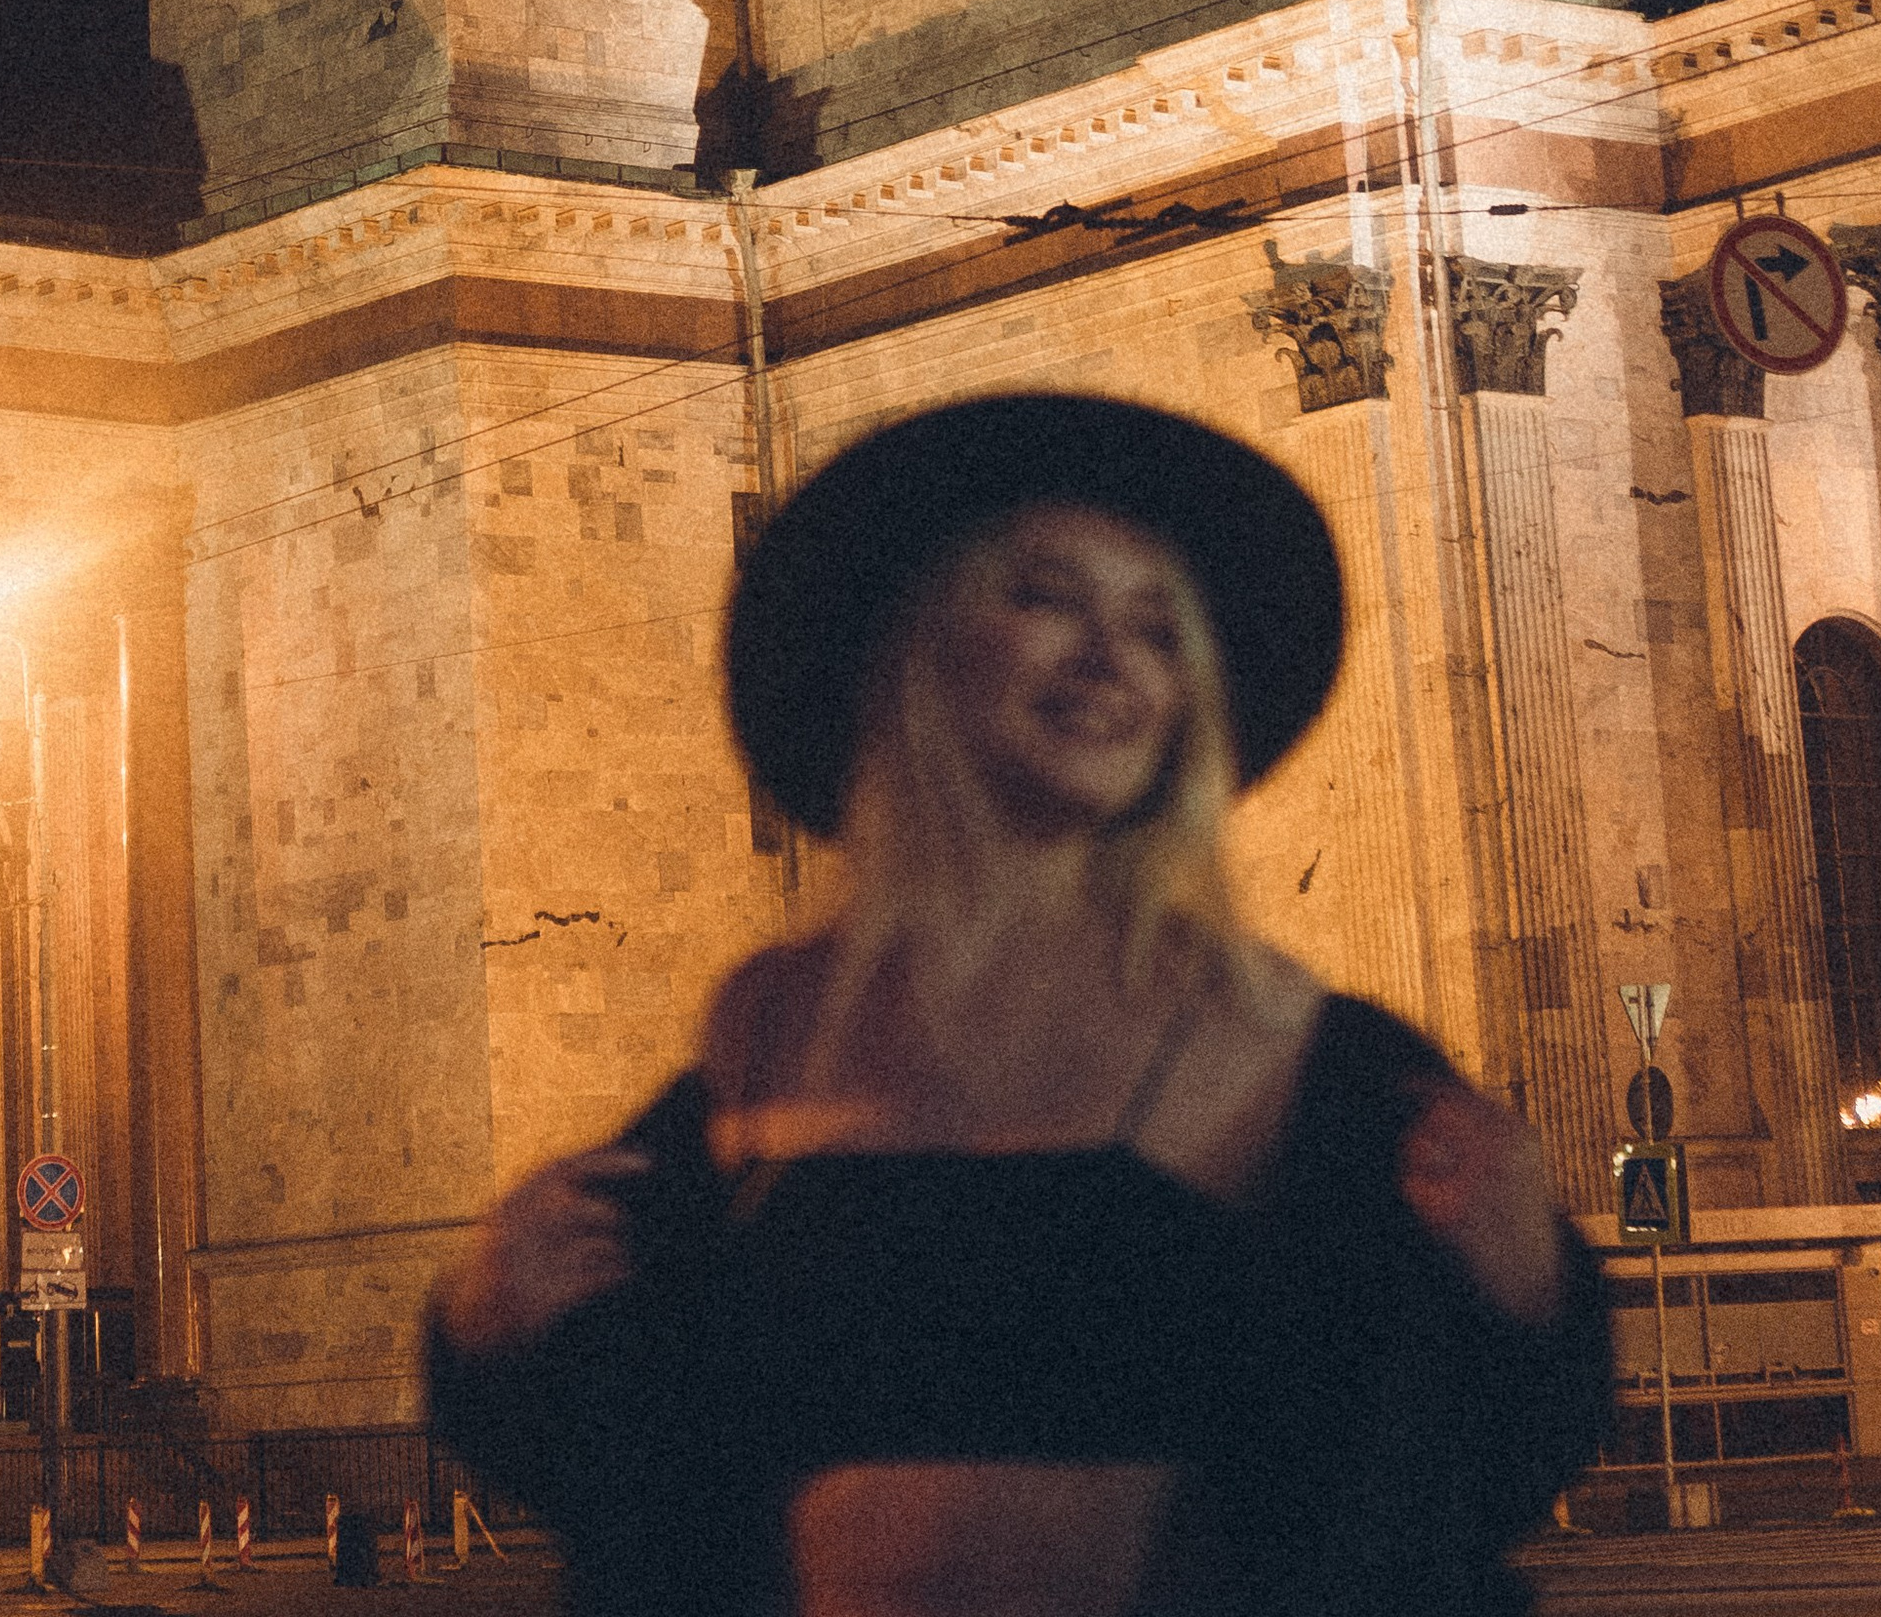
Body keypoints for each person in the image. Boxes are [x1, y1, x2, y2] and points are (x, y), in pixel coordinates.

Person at [427, 393, 1605, 1617]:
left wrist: (1526, 1287)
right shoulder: (767, 1033)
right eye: (1045, 597)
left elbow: (1473, 1464)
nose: (1108, 658)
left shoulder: (1298, 1049)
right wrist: (492, 1323)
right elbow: (626, 1461)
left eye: (1157, 629)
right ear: (916, 649)